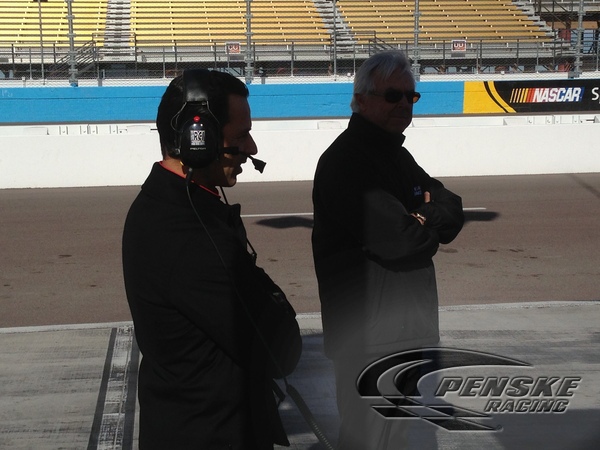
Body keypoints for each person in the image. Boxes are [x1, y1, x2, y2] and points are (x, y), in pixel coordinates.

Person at [122, 69, 301, 450]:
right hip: (212, 435)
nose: (251, 148)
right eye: (240, 136)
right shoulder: (186, 232)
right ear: (197, 139)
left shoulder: (171, 205)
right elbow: (281, 349)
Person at [311, 51, 464, 448]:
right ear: (361, 100)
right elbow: (400, 240)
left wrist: (422, 216)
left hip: (404, 331)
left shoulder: (394, 153)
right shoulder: (347, 161)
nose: (403, 104)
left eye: (410, 96)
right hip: (369, 340)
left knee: (393, 439)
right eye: (392, 95)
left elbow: (453, 208)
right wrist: (424, 218)